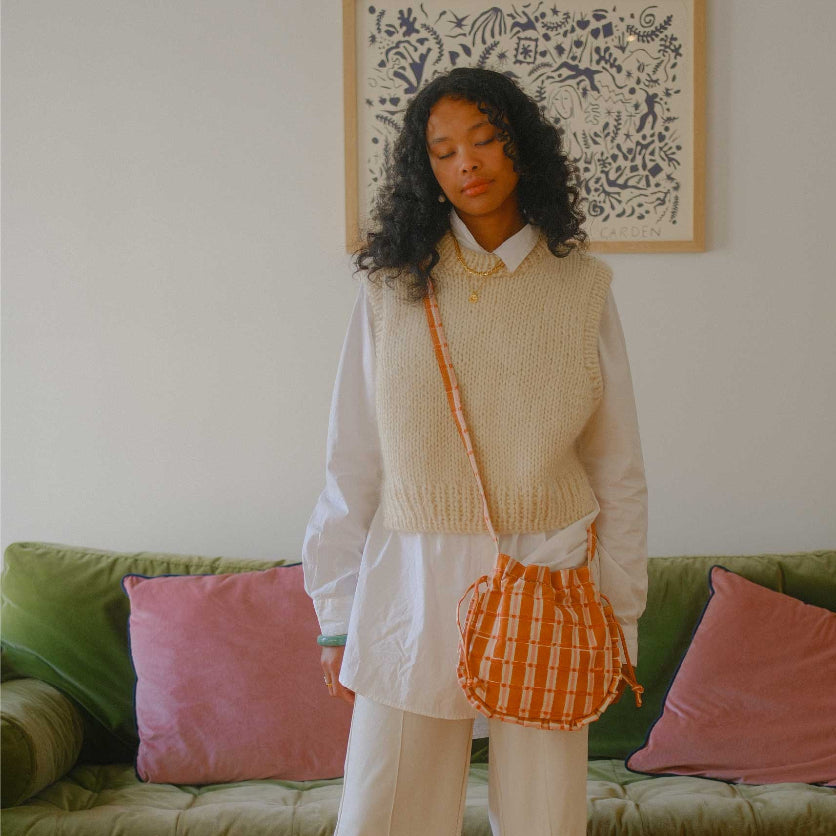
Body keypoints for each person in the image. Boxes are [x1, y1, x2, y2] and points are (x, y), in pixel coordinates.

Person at [302, 67, 648, 836]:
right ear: (426, 169)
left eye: (486, 140)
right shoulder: (392, 288)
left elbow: (617, 468)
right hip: (413, 578)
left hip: (550, 572)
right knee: (384, 817)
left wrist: (622, 617)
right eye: (445, 150)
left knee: (543, 823)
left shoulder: (582, 287)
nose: (468, 163)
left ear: (522, 149)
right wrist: (335, 611)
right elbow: (351, 457)